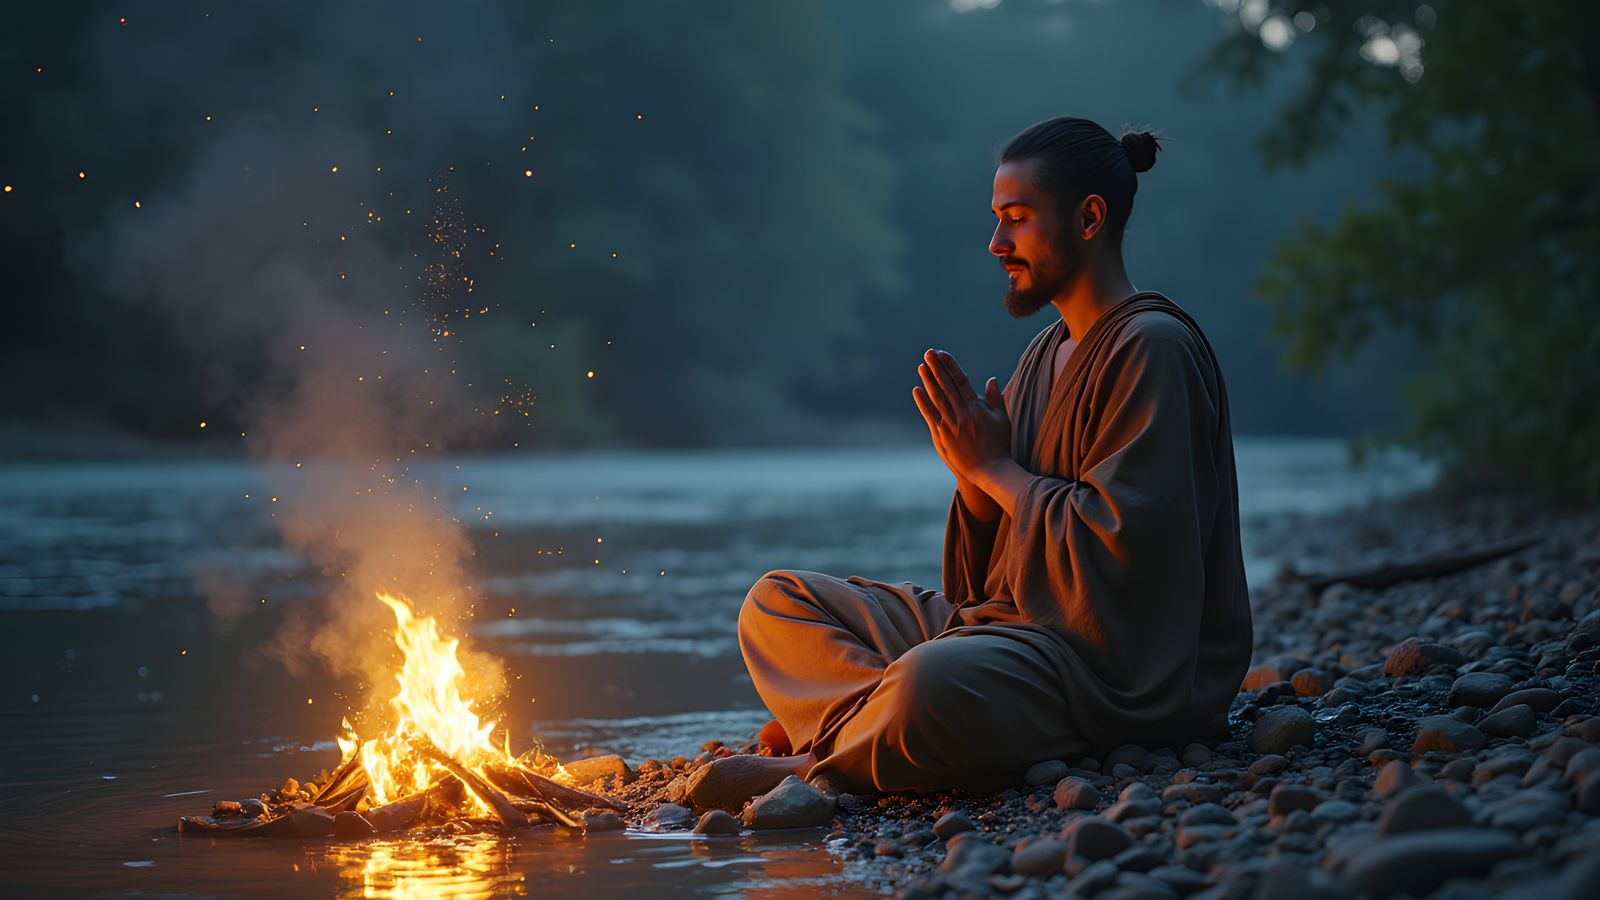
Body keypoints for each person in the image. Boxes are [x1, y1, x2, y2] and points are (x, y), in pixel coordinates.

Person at [698, 116, 1253, 802]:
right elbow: (982, 590)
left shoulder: (1153, 348)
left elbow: (1127, 558)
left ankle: (818, 759)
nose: (996, 244)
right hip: (1012, 632)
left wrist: (998, 471)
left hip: (1111, 673)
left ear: (1088, 218)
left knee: (929, 683)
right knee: (775, 602)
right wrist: (975, 481)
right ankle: (862, 730)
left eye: (1017, 219)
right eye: (997, 220)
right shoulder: (1046, 353)